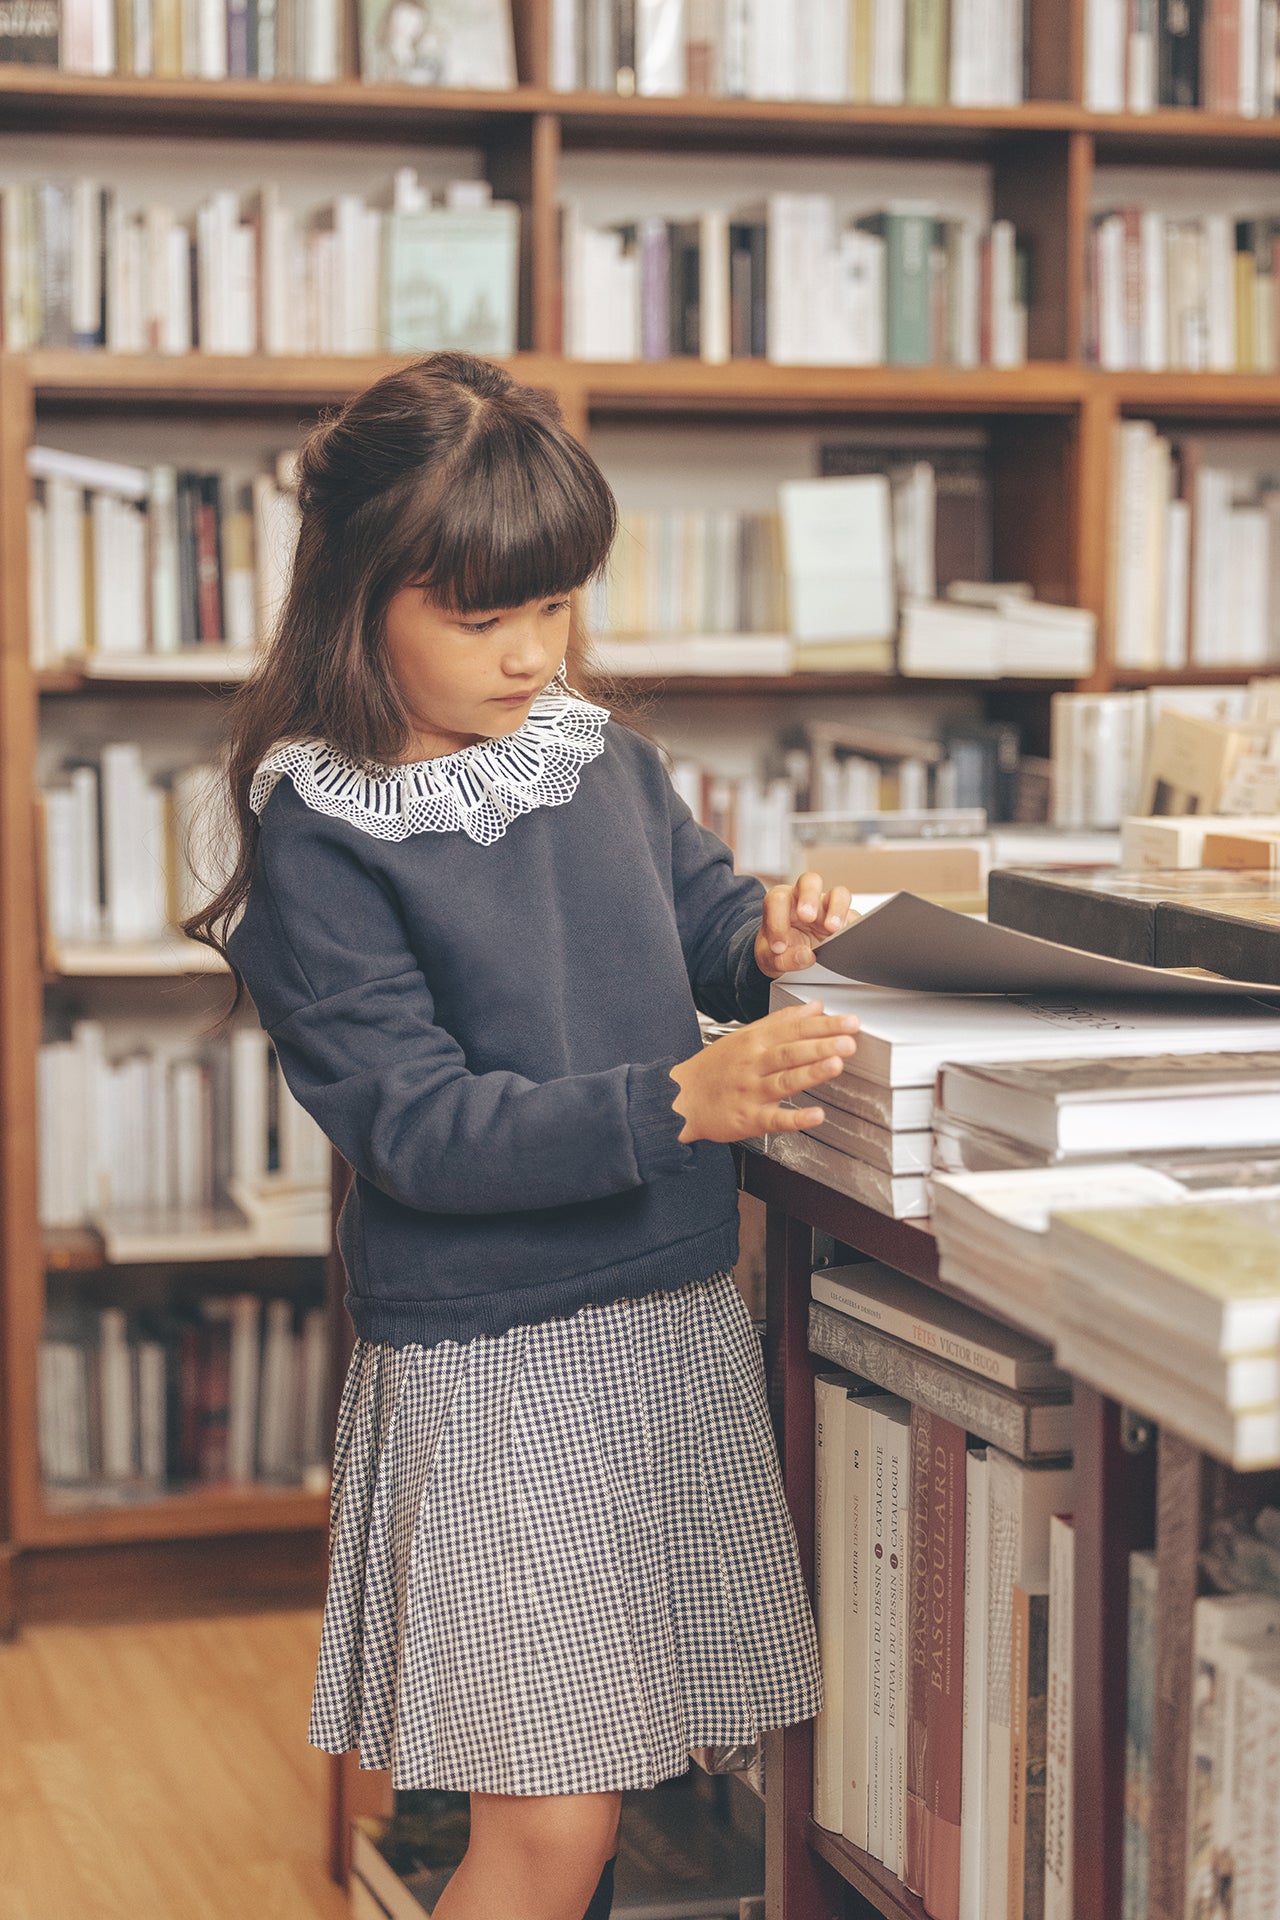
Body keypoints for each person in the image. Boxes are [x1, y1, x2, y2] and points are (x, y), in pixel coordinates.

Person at [185, 351, 862, 1920]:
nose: (529, 653)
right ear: (356, 599)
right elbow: (417, 1128)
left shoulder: (596, 757)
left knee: (604, 1807)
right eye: (479, 617)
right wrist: (676, 1102)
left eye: (552, 607)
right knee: (550, 1828)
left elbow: (697, 917)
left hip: (663, 1317)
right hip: (500, 1360)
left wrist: (769, 935)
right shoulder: (322, 833)